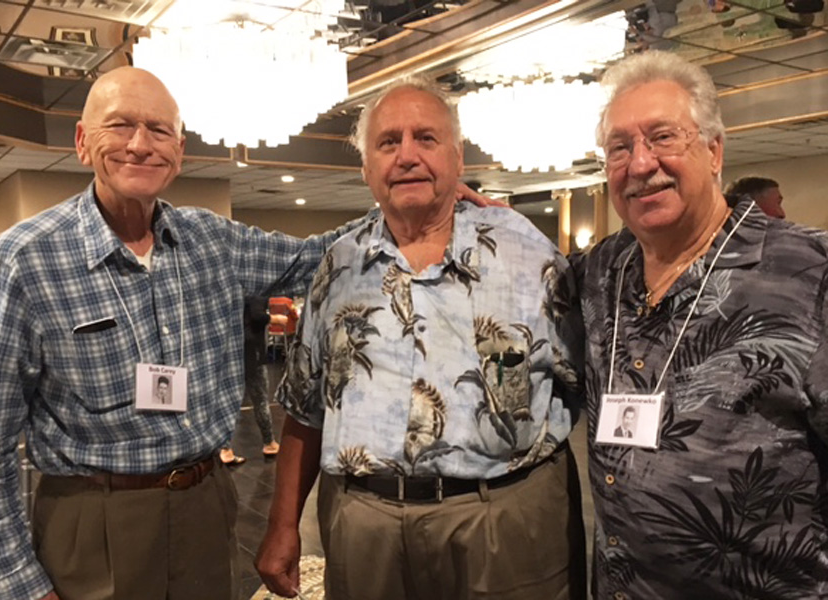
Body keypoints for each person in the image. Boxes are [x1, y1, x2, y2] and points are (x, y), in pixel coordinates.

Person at [0, 66, 376, 600]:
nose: (140, 144)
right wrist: (26, 588)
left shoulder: (211, 240)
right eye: (120, 125)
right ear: (82, 142)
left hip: (206, 506)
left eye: (158, 129)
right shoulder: (27, 258)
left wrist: (423, 199)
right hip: (92, 523)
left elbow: (319, 257)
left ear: (180, 149)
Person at [255, 79, 586, 600]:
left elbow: (581, 379)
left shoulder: (528, 254)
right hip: (365, 524)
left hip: (503, 519)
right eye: (388, 142)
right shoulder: (339, 266)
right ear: (367, 168)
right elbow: (305, 405)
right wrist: (282, 526)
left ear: (457, 157)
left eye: (426, 138)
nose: (407, 155)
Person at [576, 49, 828, 599]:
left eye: (663, 137)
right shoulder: (602, 271)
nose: (640, 164)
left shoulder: (811, 272)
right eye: (619, 147)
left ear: (714, 151)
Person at [220, 296, 281, 465]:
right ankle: (269, 442)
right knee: (260, 399)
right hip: (251, 350)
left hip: (232, 348)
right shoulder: (257, 291)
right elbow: (257, 315)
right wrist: (275, 319)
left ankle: (224, 447)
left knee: (229, 400)